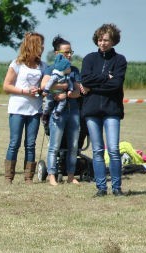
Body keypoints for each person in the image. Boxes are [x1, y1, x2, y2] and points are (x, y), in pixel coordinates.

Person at [80, 24, 127, 197]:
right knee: (97, 150)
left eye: (106, 40)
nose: (102, 43)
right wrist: (104, 78)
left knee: (113, 149)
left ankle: (117, 187)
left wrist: (93, 87)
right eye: (100, 40)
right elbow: (85, 79)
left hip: (112, 111)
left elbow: (116, 85)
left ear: (113, 40)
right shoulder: (89, 59)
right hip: (92, 111)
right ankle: (101, 188)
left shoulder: (120, 60)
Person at [2, 32, 46, 184]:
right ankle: (9, 177)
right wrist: (24, 91)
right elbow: (6, 86)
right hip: (17, 109)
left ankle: (28, 177)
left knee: (31, 143)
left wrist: (40, 90)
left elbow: (45, 85)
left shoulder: (42, 66)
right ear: (32, 45)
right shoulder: (16, 64)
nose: (43, 47)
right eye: (41, 44)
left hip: (35, 109)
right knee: (14, 142)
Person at [40, 35, 82, 186]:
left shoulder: (74, 70)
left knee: (74, 146)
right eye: (66, 53)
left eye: (71, 52)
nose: (70, 55)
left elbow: (78, 91)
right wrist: (63, 88)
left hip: (74, 112)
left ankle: (71, 176)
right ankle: (51, 175)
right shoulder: (51, 69)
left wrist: (72, 93)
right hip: (57, 113)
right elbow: (45, 85)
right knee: (54, 146)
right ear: (57, 54)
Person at [43, 53, 74, 120]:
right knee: (48, 102)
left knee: (63, 102)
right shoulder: (55, 76)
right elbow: (49, 83)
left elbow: (70, 83)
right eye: (68, 68)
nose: (70, 69)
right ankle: (45, 113)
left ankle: (57, 112)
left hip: (61, 93)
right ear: (63, 68)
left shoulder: (66, 76)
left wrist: (70, 90)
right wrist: (46, 90)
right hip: (52, 92)